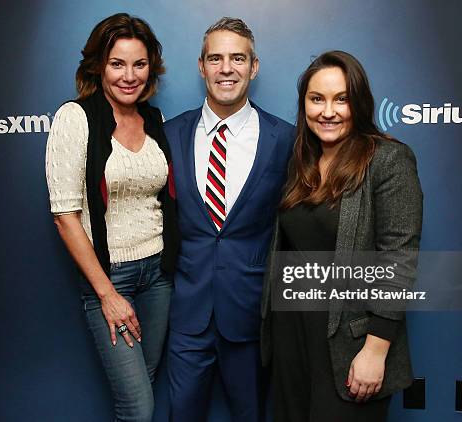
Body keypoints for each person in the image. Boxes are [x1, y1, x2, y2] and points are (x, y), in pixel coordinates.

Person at [260, 50, 423, 421]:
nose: (327, 111)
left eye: (341, 99)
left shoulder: (387, 159)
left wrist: (376, 349)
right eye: (317, 99)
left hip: (351, 342)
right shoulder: (300, 160)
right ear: (304, 104)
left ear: (359, 102)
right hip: (292, 337)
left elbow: (399, 258)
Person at [45, 13, 178, 422]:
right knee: (137, 408)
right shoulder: (76, 117)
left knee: (146, 387)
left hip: (158, 274)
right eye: (117, 63)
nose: (129, 75)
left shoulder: (152, 119)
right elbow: (65, 215)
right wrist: (107, 294)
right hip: (111, 276)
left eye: (139, 64)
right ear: (98, 66)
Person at [163, 17, 295, 422]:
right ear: (201, 66)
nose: (226, 68)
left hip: (252, 315)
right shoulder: (167, 135)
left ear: (253, 68)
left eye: (238, 58)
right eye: (216, 58)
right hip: (187, 313)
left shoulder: (286, 138)